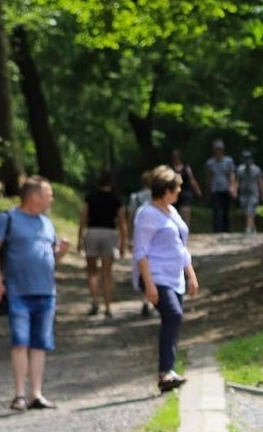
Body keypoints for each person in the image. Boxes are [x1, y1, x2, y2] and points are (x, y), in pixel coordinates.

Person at [0, 176, 69, 411]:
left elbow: (51, 256)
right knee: (20, 342)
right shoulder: (9, 218)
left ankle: (36, 394)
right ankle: (20, 394)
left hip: (46, 292)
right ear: (34, 197)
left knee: (40, 344)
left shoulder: (47, 222)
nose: (52, 198)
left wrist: (62, 252)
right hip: (18, 292)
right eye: (48, 194)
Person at [133, 165, 199, 393]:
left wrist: (191, 274)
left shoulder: (172, 211)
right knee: (173, 314)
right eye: (177, 187)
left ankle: (168, 372)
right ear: (165, 190)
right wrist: (149, 285)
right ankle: (165, 372)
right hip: (156, 275)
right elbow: (140, 252)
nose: (180, 191)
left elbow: (181, 246)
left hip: (174, 276)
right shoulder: (146, 215)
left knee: (174, 320)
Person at [79, 172, 127, 317]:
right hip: (110, 234)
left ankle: (94, 301)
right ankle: (108, 307)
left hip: (93, 232)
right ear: (111, 183)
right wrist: (123, 243)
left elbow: (83, 218)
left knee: (91, 271)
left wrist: (80, 238)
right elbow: (122, 222)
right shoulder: (116, 199)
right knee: (107, 273)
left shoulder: (90, 197)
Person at [127, 170, 153, 317]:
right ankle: (151, 298)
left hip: (140, 237)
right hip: (154, 238)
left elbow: (131, 218)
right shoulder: (157, 196)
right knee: (154, 268)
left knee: (142, 268)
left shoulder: (135, 197)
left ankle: (145, 298)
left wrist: (129, 238)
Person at [205, 140, 237, 235]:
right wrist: (208, 189)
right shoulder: (210, 162)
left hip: (226, 188)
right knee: (217, 211)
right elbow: (209, 177)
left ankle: (227, 230)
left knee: (226, 210)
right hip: (215, 189)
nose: (218, 151)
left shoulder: (229, 161)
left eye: (220, 149)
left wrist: (233, 187)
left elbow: (232, 174)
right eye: (216, 149)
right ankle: (217, 231)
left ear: (223, 150)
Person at [235, 150, 263, 237]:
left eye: (248, 159)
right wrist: (235, 190)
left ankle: (248, 229)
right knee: (247, 212)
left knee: (250, 210)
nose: (247, 161)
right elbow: (238, 181)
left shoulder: (256, 169)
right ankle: (253, 229)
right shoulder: (240, 169)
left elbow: (260, 182)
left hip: (253, 194)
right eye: (245, 159)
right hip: (243, 194)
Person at [168, 148, 201, 224]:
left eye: (176, 156)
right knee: (173, 213)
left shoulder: (186, 168)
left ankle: (185, 227)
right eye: (174, 156)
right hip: (174, 193)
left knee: (185, 211)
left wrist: (197, 189)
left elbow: (192, 179)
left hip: (185, 192)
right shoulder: (170, 169)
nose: (175, 158)